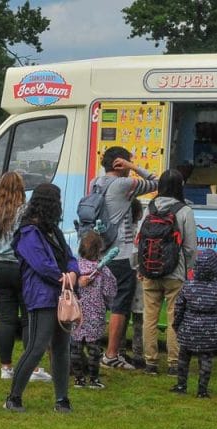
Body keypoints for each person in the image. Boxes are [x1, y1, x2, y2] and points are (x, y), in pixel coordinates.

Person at [4, 183, 79, 414]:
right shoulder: (29, 232)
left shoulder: (52, 231)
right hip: (41, 296)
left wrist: (73, 272)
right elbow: (41, 264)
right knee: (36, 347)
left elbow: (69, 256)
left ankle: (62, 399)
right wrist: (64, 276)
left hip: (61, 293)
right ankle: (13, 397)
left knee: (61, 347)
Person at [0, 172, 50, 381]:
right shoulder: (27, 212)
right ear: (21, 188)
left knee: (5, 319)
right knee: (28, 319)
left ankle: (6, 367)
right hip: (23, 267)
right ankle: (32, 368)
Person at [93, 146, 158, 371]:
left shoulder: (95, 183)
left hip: (100, 252)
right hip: (121, 254)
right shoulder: (123, 184)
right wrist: (133, 166)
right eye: (127, 163)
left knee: (98, 303)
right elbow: (157, 182)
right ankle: (111, 355)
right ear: (120, 164)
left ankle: (92, 349)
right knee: (120, 306)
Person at [141, 169, 197, 376]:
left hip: (149, 270)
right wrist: (187, 268)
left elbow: (140, 239)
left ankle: (151, 363)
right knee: (175, 318)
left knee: (150, 317)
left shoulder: (150, 208)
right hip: (175, 272)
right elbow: (190, 247)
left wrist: (140, 267)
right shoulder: (185, 211)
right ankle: (174, 363)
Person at [170, 249, 217, 398]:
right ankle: (202, 391)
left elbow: (179, 308)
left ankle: (181, 385)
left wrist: (177, 325)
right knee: (206, 359)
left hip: (188, 329)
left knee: (183, 358)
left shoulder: (188, 286)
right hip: (211, 332)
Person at [71, 232, 117, 389]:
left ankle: (78, 379)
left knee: (76, 348)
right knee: (94, 349)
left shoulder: (75, 267)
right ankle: (93, 379)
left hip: (76, 313)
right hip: (95, 314)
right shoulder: (103, 270)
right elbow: (110, 291)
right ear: (99, 249)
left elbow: (69, 286)